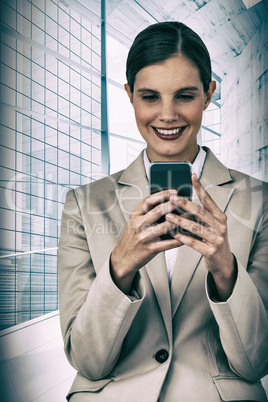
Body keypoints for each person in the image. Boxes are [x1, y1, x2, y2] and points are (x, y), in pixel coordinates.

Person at [58, 22, 268, 402]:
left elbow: (255, 363)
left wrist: (225, 268)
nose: (167, 115)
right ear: (130, 96)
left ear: (208, 94)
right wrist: (119, 266)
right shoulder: (84, 204)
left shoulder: (260, 201)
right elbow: (88, 361)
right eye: (150, 97)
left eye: (185, 96)